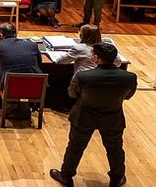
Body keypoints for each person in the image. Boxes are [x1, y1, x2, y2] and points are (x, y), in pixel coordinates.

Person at [50, 43, 137, 187]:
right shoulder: (129, 77)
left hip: (84, 116)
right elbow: (128, 96)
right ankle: (117, 178)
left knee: (75, 147)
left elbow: (72, 93)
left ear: (95, 58)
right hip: (113, 117)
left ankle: (66, 176)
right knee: (115, 148)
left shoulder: (84, 76)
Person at [0, 23, 43, 92]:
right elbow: (39, 61)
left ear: (0, 35)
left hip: (9, 87)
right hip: (35, 86)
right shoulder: (32, 44)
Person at [56, 25, 122, 79]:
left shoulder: (79, 48)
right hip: (103, 80)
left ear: (82, 35)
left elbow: (61, 61)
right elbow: (118, 62)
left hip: (83, 81)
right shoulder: (108, 48)